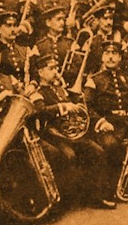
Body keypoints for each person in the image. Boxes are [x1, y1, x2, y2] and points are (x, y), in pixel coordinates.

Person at [29, 53, 112, 209]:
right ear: (40, 72)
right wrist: (64, 107)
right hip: (53, 136)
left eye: (56, 68)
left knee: (97, 151)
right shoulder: (37, 92)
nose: (56, 72)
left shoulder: (60, 89)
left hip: (71, 135)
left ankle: (95, 196)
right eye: (51, 69)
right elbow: (40, 111)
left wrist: (77, 103)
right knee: (69, 156)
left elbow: (75, 110)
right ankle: (66, 200)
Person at [83, 40, 128, 208]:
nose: (110, 57)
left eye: (114, 54)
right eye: (107, 54)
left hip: (126, 123)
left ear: (120, 57)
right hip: (107, 125)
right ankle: (107, 190)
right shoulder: (94, 80)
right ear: (102, 57)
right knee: (111, 145)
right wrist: (101, 121)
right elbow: (87, 107)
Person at [31, 6, 75, 85]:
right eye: (58, 19)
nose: (62, 23)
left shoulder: (71, 43)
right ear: (48, 23)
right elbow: (34, 70)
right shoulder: (39, 46)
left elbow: (76, 67)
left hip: (67, 85)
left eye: (63, 20)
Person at [0, 11, 30, 82]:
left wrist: (32, 85)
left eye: (15, 25)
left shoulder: (23, 50)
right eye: (9, 26)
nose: (13, 29)